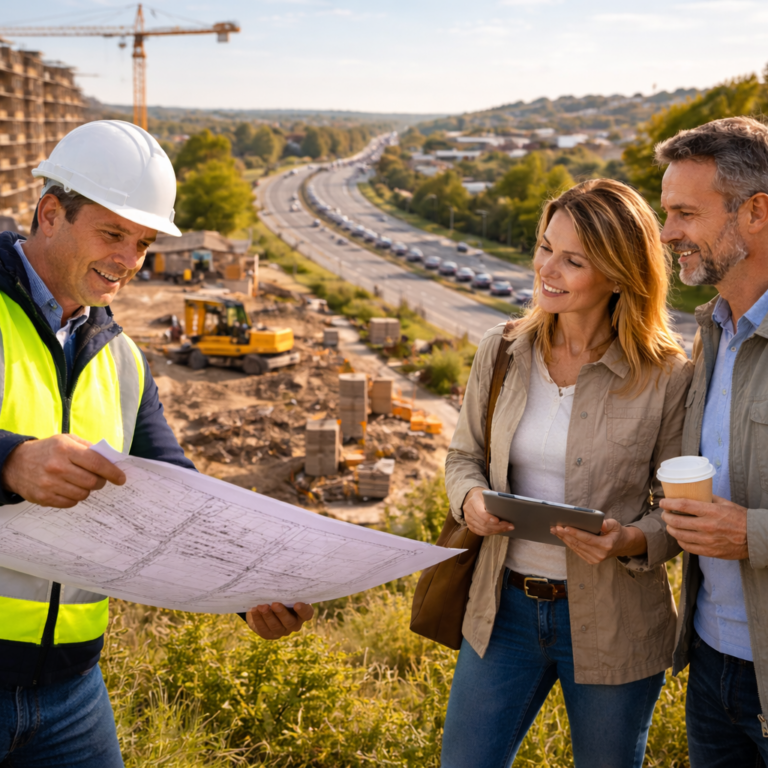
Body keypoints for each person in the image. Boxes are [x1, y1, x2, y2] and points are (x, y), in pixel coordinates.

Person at [0, 120, 312, 768]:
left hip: (71, 690)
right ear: (51, 214)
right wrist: (9, 460)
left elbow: (177, 497)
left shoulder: (124, 360)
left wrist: (247, 587)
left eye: (142, 242)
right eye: (112, 233)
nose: (128, 260)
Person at [442, 178, 693, 768]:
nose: (546, 270)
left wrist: (628, 539)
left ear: (618, 275)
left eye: (573, 261)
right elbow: (462, 458)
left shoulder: (667, 375)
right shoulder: (502, 349)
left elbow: (679, 511)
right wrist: (470, 499)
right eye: (545, 247)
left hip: (616, 623)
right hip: (502, 612)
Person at [655, 116, 768, 766]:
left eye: (686, 213)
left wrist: (751, 533)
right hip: (711, 665)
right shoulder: (712, 335)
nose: (667, 232)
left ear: (755, 212)